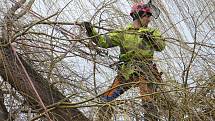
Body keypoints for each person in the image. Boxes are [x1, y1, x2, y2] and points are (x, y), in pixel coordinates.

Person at [83, 1, 165, 121]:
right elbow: (103, 41)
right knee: (106, 98)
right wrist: (91, 31)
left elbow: (161, 46)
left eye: (149, 16)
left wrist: (150, 38)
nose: (149, 19)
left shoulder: (152, 32)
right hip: (127, 70)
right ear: (137, 15)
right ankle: (102, 118)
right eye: (146, 16)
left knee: (149, 103)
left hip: (146, 71)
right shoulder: (124, 33)